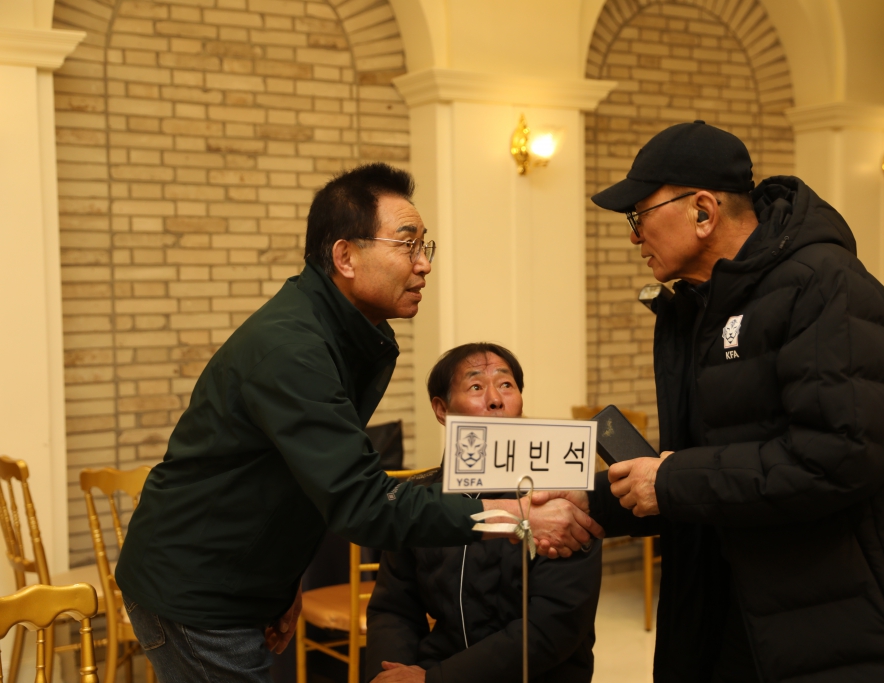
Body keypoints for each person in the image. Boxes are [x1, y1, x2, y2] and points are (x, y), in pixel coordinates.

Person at [114, 164, 602, 682]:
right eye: (407, 245)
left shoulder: (334, 334)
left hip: (236, 579)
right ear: (345, 256)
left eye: (425, 247)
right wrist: (516, 515)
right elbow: (363, 503)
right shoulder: (292, 349)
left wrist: (278, 582)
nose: (423, 266)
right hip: (200, 590)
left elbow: (302, 481)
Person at [537, 121, 884, 682]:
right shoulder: (701, 309)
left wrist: (669, 481)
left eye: (639, 216)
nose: (633, 237)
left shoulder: (825, 286)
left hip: (863, 632)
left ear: (703, 211)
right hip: (750, 620)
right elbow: (715, 469)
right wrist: (587, 503)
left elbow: (838, 456)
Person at [364, 343, 602, 683]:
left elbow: (554, 626)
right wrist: (388, 675)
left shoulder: (558, 498)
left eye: (506, 385)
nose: (495, 399)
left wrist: (436, 680)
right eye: (476, 386)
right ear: (442, 410)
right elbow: (394, 607)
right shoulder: (421, 498)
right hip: (437, 665)